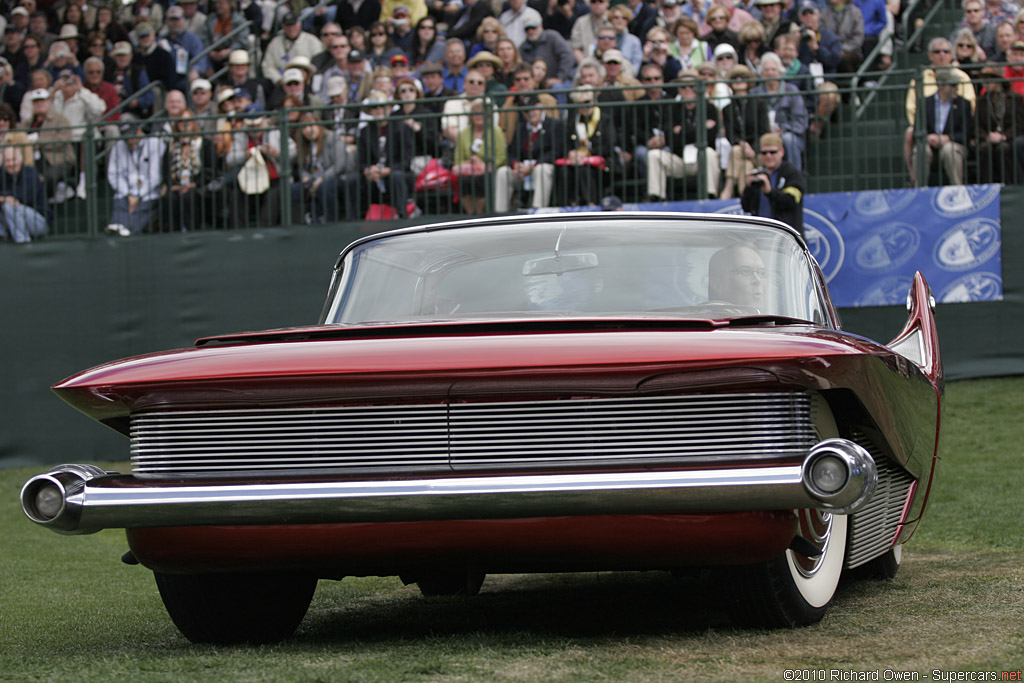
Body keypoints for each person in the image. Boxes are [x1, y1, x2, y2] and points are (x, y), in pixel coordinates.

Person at [646, 70, 720, 200]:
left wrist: (681, 131)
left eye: (691, 86)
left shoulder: (709, 108)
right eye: (683, 87)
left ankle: (710, 195)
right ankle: (656, 198)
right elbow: (670, 138)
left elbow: (710, 137)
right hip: (679, 159)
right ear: (679, 90)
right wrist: (699, 128)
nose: (688, 90)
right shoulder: (673, 109)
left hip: (700, 159)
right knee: (654, 155)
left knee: (709, 153)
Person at [344, 91, 416, 219]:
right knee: (352, 180)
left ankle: (402, 216)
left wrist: (387, 170)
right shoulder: (365, 131)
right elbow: (360, 161)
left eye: (381, 106)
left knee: (397, 177)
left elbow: (406, 161)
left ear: (388, 108)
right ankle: (353, 220)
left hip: (394, 172)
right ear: (370, 112)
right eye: (374, 108)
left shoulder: (401, 128)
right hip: (373, 176)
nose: (378, 110)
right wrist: (368, 170)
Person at [496, 93, 566, 211]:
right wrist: (515, 164)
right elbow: (512, 152)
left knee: (542, 170)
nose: (530, 114)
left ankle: (538, 210)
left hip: (543, 168)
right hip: (523, 171)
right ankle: (500, 213)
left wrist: (533, 166)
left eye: (533, 110)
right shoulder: (520, 128)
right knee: (503, 172)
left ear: (540, 108)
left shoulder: (555, 125)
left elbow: (557, 151)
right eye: (526, 111)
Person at [912, 68, 973, 186]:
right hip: (930, 145)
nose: (957, 88)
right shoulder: (924, 103)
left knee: (949, 149)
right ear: (941, 85)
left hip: (954, 145)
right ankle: (919, 189)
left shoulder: (963, 104)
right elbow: (917, 129)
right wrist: (928, 138)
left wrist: (947, 138)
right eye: (953, 85)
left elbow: (966, 132)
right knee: (921, 150)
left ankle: (957, 189)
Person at [105, 121, 165, 236]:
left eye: (133, 135)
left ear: (139, 131)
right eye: (127, 137)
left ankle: (128, 230)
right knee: (120, 206)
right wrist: (128, 194)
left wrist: (137, 194)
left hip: (148, 192)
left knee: (141, 211)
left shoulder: (154, 144)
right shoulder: (118, 146)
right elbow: (114, 174)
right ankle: (118, 227)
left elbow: (155, 176)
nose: (130, 140)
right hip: (125, 193)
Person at [750, 52, 807, 170]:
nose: (770, 73)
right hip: (762, 135)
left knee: (788, 140)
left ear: (780, 72)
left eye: (773, 70)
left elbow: (800, 121)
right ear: (761, 73)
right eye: (766, 70)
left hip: (788, 134)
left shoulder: (792, 90)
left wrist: (783, 129)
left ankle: (794, 178)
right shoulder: (754, 93)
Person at [720, 64, 770, 199]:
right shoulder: (727, 109)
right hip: (740, 151)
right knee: (743, 160)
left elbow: (764, 131)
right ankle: (744, 195)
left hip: (759, 152)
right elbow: (731, 134)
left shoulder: (759, 104)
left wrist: (754, 149)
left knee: (738, 153)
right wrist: (743, 145)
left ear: (748, 82)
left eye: (743, 77)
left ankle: (729, 186)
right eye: (735, 78)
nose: (739, 80)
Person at [561, 86, 617, 206]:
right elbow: (566, 144)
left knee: (584, 169)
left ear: (594, 101)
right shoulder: (573, 122)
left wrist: (588, 153)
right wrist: (572, 153)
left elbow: (609, 145)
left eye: (587, 102)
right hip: (578, 162)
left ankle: (590, 203)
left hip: (602, 162)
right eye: (580, 103)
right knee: (564, 170)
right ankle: (565, 204)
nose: (584, 106)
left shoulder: (605, 119)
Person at [741, 132, 805, 234]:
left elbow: (791, 201)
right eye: (764, 153)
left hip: (784, 237)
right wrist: (749, 187)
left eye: (773, 152)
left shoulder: (791, 173)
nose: (768, 156)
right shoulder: (759, 174)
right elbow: (746, 207)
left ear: (782, 152)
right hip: (759, 236)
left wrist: (770, 192)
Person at [454, 98, 507, 213]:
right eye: (475, 113)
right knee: (464, 181)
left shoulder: (495, 131)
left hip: (488, 169)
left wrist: (484, 164)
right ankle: (470, 213)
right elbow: (458, 158)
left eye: (481, 113)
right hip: (469, 170)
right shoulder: (464, 133)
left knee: (480, 180)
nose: (478, 116)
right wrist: (467, 163)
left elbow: (501, 156)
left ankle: (479, 212)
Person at [975, 64, 1024, 183]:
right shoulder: (981, 101)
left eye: (988, 78)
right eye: (983, 79)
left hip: (1009, 137)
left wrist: (1005, 136)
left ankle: (1008, 185)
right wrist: (988, 136)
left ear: (998, 80)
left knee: (1004, 148)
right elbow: (977, 125)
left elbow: (1019, 123)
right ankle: (987, 186)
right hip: (989, 138)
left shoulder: (1015, 98)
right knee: (986, 149)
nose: (984, 82)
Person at [0, 145, 50, 243]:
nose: (11, 164)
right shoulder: (3, 174)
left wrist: (4, 198)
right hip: (13, 222)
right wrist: (4, 198)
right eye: (7, 161)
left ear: (20, 159)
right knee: (7, 204)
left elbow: (23, 197)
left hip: (38, 222)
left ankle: (23, 243)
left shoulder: (30, 172)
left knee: (9, 206)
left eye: (13, 159)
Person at [707, 243, 767, 308]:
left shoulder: (776, 317)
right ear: (717, 285)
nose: (758, 281)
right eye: (745, 271)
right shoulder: (699, 317)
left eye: (762, 273)